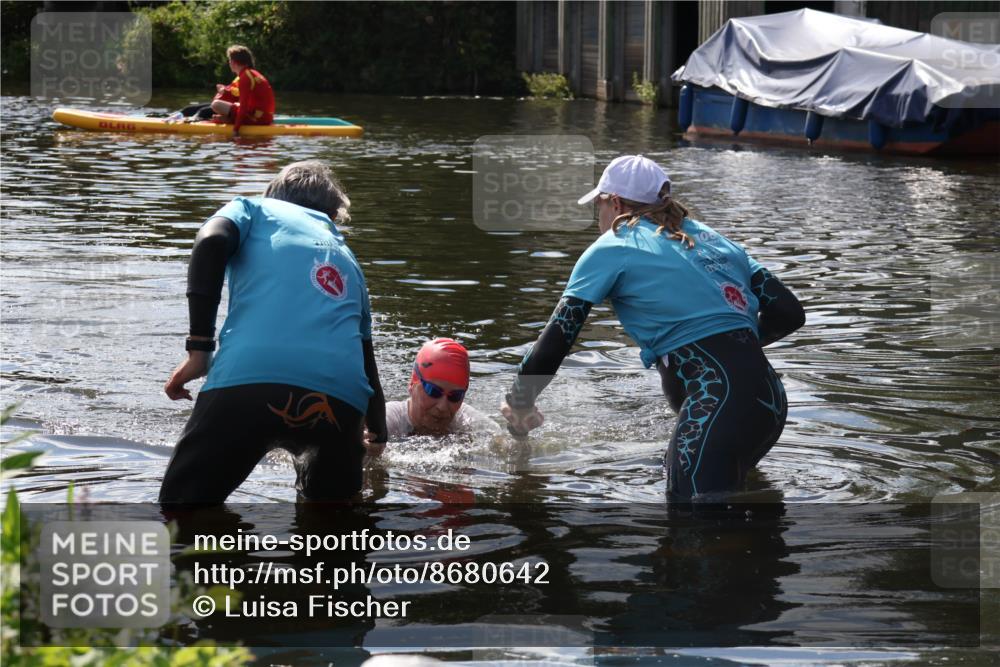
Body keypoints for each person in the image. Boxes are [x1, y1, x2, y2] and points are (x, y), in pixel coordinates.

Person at [501, 155, 805, 498]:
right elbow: (789, 313)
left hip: (720, 401)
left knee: (693, 531)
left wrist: (520, 401)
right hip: (769, 400)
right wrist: (738, 349)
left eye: (598, 207)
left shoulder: (614, 244)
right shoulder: (715, 239)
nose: (598, 219)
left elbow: (557, 340)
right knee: (741, 522)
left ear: (614, 203)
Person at [159, 160, 387, 504]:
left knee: (181, 513)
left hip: (250, 383)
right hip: (340, 405)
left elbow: (211, 241)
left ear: (275, 194)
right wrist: (377, 428)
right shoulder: (348, 259)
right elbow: (365, 357)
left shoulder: (253, 208)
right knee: (331, 533)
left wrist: (199, 350)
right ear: (332, 215)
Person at [370, 338, 499, 453]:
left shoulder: (465, 420)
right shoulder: (390, 420)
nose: (442, 407)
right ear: (412, 384)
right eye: (433, 391)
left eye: (455, 396)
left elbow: (501, 443)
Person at [209, 44, 275, 134]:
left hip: (258, 119)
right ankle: (226, 119)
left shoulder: (245, 77)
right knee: (221, 109)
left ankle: (228, 120)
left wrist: (236, 130)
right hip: (265, 117)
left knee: (216, 104)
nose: (229, 63)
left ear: (233, 62)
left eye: (229, 60)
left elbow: (243, 107)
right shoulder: (251, 73)